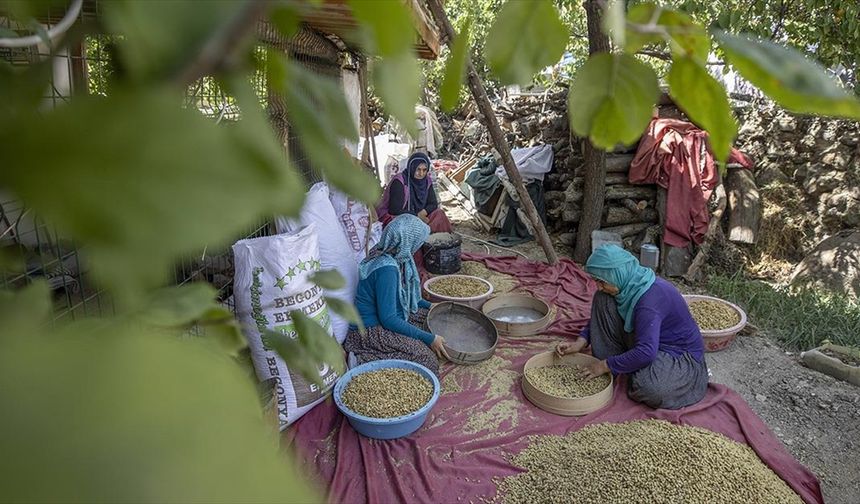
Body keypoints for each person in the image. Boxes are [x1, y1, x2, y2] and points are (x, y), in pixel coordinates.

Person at [555, 244, 708, 410]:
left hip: (676, 355)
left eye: (602, 281)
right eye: (596, 281)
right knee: (603, 298)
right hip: (645, 339)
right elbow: (600, 315)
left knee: (649, 388)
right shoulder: (629, 284)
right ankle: (623, 362)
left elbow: (647, 352)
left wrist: (604, 365)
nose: (598, 286)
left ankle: (622, 364)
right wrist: (581, 341)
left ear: (618, 275)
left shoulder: (648, 301)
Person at [344, 214, 450, 375]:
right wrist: (430, 339)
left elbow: (405, 297)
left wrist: (431, 306)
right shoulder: (387, 269)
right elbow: (389, 320)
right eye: (417, 243)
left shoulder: (389, 253)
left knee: (429, 317)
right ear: (408, 243)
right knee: (426, 360)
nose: (418, 248)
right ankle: (363, 359)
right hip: (369, 331)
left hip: (388, 315)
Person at [376, 152, 453, 234]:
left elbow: (433, 203)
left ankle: (431, 239)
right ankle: (421, 238)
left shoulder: (427, 181)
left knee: (439, 214)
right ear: (411, 168)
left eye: (424, 170)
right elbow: (394, 210)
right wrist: (416, 216)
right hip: (401, 217)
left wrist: (423, 213)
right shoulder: (400, 181)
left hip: (419, 215)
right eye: (418, 169)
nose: (421, 173)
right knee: (404, 227)